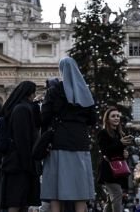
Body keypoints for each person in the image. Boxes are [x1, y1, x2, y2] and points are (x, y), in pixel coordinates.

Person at [40, 57, 97, 212]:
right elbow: (93, 119)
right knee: (80, 192)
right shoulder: (85, 91)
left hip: (59, 142)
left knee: (56, 192)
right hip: (80, 144)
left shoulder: (55, 90)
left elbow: (44, 117)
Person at [0, 81, 42, 212]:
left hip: (18, 163)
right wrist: (28, 164)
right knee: (16, 201)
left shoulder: (20, 107)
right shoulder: (21, 109)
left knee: (22, 202)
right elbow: (22, 139)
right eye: (34, 93)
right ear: (30, 93)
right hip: (19, 164)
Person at [97, 106, 133, 212]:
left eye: (118, 116)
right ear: (107, 119)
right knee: (117, 195)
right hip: (108, 170)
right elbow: (105, 151)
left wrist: (125, 154)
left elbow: (118, 152)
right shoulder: (103, 133)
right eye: (113, 116)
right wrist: (120, 143)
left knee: (111, 199)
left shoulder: (120, 134)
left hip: (118, 170)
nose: (116, 118)